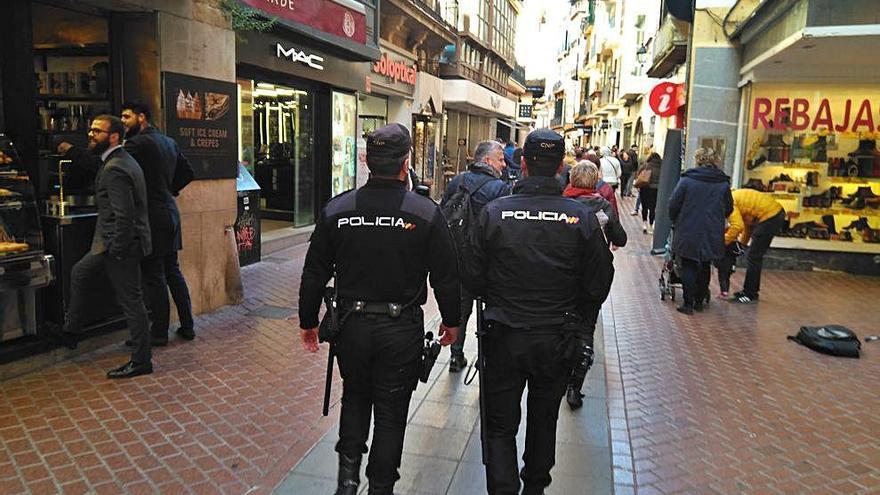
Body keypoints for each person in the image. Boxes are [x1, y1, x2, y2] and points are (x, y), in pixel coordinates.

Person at [298, 123, 461, 495]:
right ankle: (381, 487)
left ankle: (347, 480)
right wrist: (452, 322)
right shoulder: (425, 212)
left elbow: (313, 272)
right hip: (399, 328)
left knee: (355, 396)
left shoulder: (338, 209)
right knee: (391, 413)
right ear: (406, 164)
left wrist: (308, 321)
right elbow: (447, 277)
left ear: (367, 161)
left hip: (351, 326)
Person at [465, 128, 614, 494]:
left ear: (524, 164)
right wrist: (580, 318)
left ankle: (502, 487)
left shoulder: (495, 213)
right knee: (544, 419)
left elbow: (470, 273)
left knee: (499, 423)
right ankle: (534, 487)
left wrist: (495, 297)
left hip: (504, 334)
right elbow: (600, 278)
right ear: (560, 166)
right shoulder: (580, 218)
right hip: (557, 336)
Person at [49, 115, 153, 378]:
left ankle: (141, 361)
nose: (91, 134)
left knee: (131, 301)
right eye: (91, 129)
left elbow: (124, 215)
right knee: (80, 273)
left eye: (97, 131)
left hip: (120, 246)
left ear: (114, 136)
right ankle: (71, 331)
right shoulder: (119, 161)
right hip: (110, 244)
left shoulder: (115, 168)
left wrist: (117, 249)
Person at [120, 101, 195, 344]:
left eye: (126, 116)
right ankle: (187, 325)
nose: (122, 121)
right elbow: (187, 173)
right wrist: (169, 190)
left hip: (152, 216)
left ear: (141, 118)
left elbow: (116, 170)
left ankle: (160, 332)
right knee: (172, 270)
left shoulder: (135, 144)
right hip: (170, 213)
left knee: (154, 274)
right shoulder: (168, 141)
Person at [441, 140, 512, 372]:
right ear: (487, 160)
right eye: (500, 159)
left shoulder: (456, 181)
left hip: (458, 257)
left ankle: (455, 355)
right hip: (486, 261)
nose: (503, 164)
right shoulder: (499, 188)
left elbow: (443, 215)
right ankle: (484, 358)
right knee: (489, 311)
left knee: (462, 307)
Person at [561, 161, 626, 410]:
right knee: (586, 327)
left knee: (563, 322)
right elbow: (621, 238)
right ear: (595, 180)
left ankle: (560, 370)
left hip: (564, 275)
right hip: (595, 276)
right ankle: (575, 386)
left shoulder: (561, 204)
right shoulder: (603, 206)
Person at [668, 148, 733, 315]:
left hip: (688, 227)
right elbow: (729, 208)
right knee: (705, 264)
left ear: (698, 160)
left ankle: (688, 304)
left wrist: (675, 219)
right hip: (711, 230)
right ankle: (699, 302)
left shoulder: (687, 180)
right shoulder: (723, 183)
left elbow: (674, 204)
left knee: (688, 264)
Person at [723, 188, 785, 304]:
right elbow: (748, 226)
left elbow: (737, 226)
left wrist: (723, 243)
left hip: (770, 216)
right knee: (753, 256)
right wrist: (742, 245)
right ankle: (749, 291)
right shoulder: (733, 199)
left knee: (754, 257)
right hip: (773, 214)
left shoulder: (729, 204)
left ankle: (750, 294)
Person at [636, 152, 663, 234]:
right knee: (653, 208)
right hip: (656, 190)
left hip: (645, 188)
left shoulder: (646, 165)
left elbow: (639, 174)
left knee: (644, 207)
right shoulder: (661, 167)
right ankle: (651, 225)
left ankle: (644, 225)